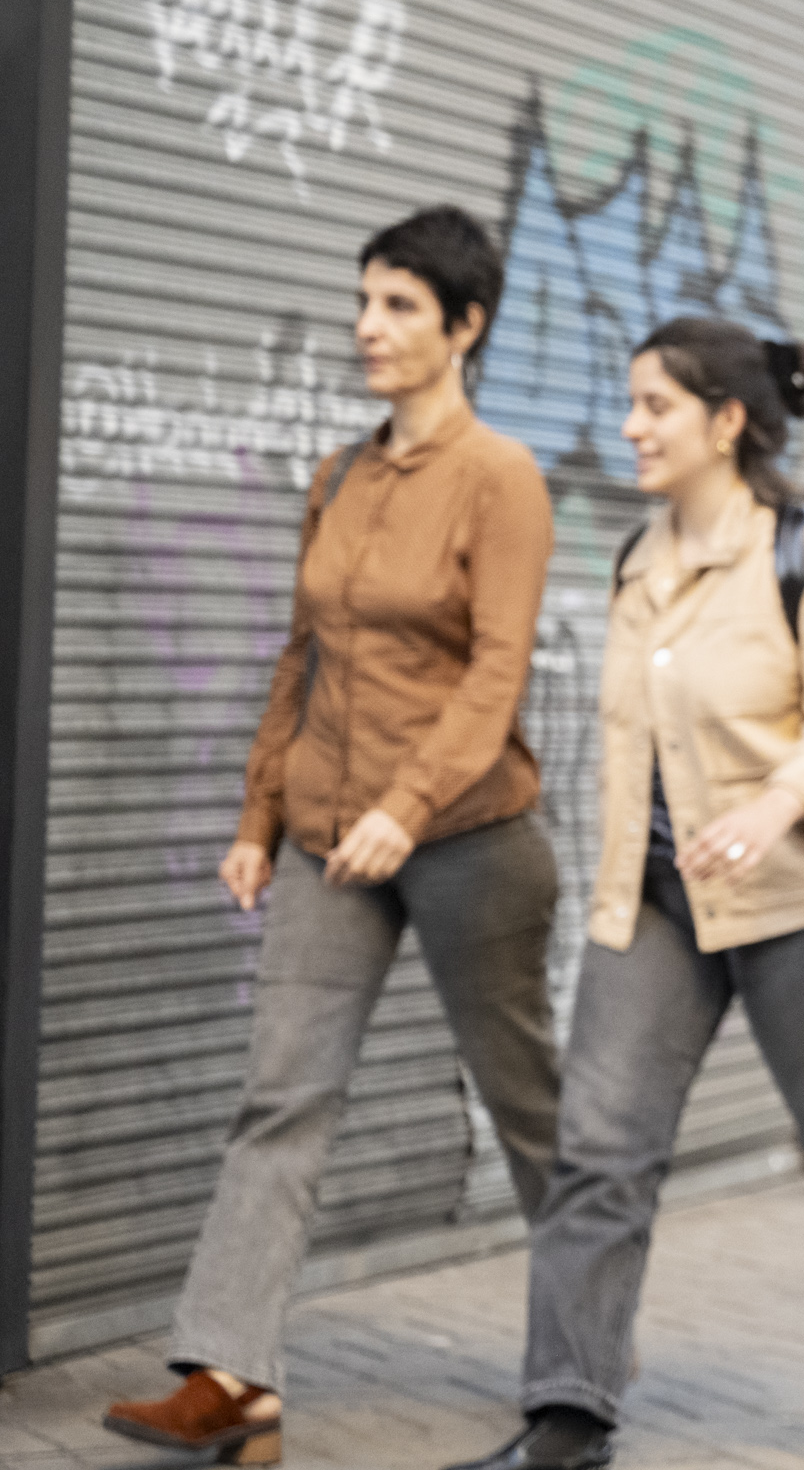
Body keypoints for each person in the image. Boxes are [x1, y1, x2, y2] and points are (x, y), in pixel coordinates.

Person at [444, 319, 804, 1470]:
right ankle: (570, 1408)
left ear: (727, 420)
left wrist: (775, 800)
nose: (631, 424)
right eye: (633, 402)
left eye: (655, 405)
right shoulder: (637, 559)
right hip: (653, 899)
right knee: (601, 1146)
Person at [105, 207, 560, 1466]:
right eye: (364, 299)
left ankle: (579, 1360)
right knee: (282, 1096)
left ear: (464, 326)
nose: (369, 324)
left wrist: (403, 809)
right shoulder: (339, 474)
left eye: (401, 304)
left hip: (468, 833)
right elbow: (299, 658)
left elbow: (497, 673)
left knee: (529, 1108)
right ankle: (235, 1376)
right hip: (324, 837)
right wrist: (261, 815)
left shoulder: (500, 476)